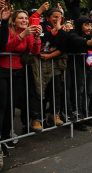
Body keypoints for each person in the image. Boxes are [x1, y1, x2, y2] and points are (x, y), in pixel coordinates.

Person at [0, 8, 41, 156]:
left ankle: (6, 135)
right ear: (14, 20)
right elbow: (6, 47)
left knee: (11, 105)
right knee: (2, 105)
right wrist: (22, 35)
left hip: (18, 72)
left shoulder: (29, 33)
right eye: (21, 18)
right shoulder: (9, 31)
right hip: (3, 71)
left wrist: (36, 38)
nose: (24, 20)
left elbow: (35, 51)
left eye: (26, 18)